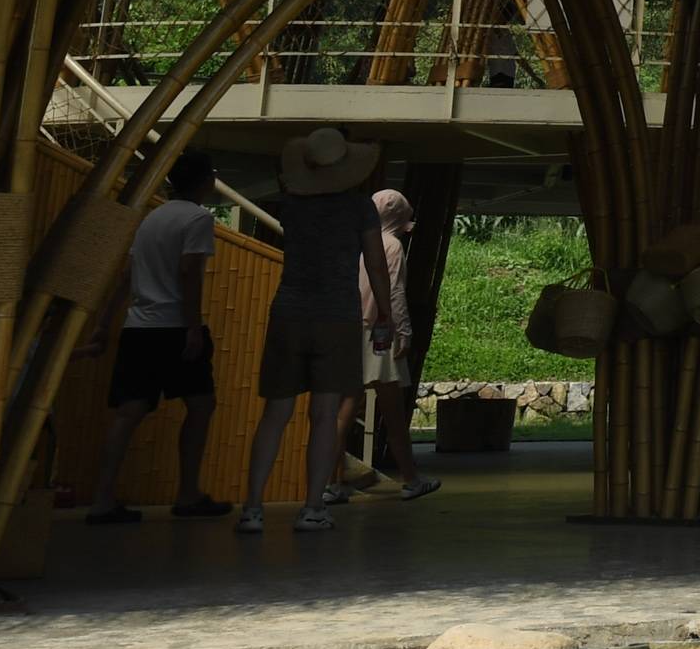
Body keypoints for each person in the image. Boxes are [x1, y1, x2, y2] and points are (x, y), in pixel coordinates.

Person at [236, 129, 399, 535]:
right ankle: (312, 508)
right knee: (325, 415)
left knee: (275, 414)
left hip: (288, 312)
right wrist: (384, 311)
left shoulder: (290, 205)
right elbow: (376, 264)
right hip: (337, 316)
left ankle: (253, 508)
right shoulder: (359, 209)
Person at [86, 152, 236, 523]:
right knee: (201, 405)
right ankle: (187, 493)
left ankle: (102, 498)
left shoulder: (151, 218)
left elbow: (127, 275)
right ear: (205, 181)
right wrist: (192, 327)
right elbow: (189, 272)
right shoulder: (198, 218)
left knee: (129, 411)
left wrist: (105, 323)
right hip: (174, 326)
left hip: (138, 327)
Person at [349, 185, 438, 503]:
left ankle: (334, 481)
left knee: (345, 408)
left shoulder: (355, 241)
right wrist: (404, 331)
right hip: (380, 335)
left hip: (350, 332)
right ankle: (411, 479)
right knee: (393, 412)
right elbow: (395, 292)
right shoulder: (391, 246)